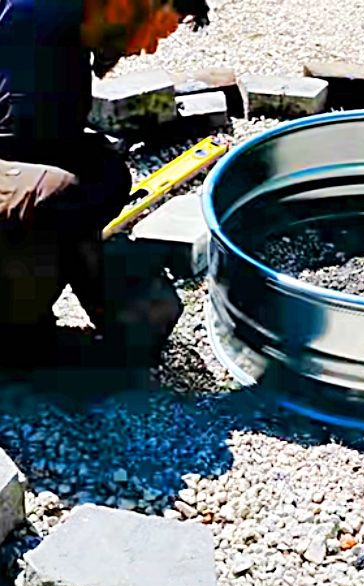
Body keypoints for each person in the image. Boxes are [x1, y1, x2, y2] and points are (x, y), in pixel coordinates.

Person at [0, 0, 208, 368]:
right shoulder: (35, 33)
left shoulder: (66, 33)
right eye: (155, 31)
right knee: (58, 190)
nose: (150, 49)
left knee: (97, 174)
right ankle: (16, 338)